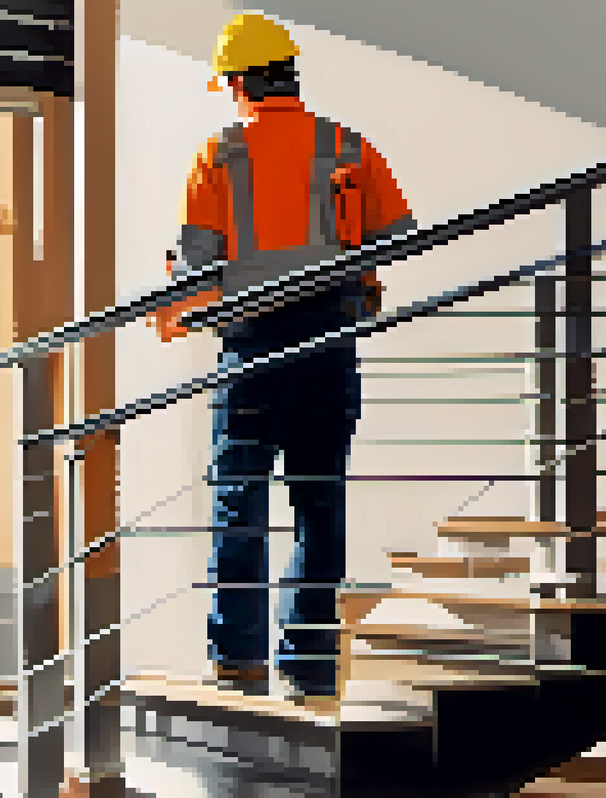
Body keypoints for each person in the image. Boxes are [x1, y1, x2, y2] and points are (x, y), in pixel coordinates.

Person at [149, 13, 416, 710]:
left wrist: (173, 315)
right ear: (290, 73)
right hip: (328, 345)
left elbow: (198, 272)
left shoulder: (219, 154)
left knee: (240, 504)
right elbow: (397, 238)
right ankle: (310, 663)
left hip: (252, 351)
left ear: (238, 82)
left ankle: (237, 660)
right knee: (318, 507)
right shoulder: (347, 146)